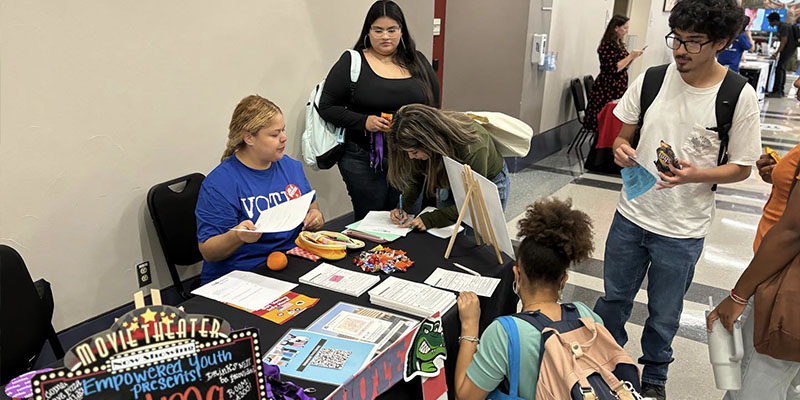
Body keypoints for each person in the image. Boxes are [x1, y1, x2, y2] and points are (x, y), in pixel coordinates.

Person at [591, 1, 762, 398]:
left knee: (664, 313)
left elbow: (741, 166)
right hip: (631, 214)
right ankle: (605, 360)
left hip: (682, 228)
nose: (681, 50)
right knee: (614, 298)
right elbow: (624, 133)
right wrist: (619, 147)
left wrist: (695, 175)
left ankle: (654, 378)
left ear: (721, 41)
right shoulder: (652, 79)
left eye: (694, 42)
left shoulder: (737, 95)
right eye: (677, 39)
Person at [452, 198, 599, 400]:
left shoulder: (505, 332)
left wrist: (469, 325)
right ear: (563, 280)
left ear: (517, 274)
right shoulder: (586, 315)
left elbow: (465, 396)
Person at [318, 0, 440, 221]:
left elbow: (434, 109)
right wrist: (364, 121)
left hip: (412, 158)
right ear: (368, 31)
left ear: (401, 31)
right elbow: (327, 106)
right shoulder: (352, 62)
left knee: (407, 219)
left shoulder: (418, 62)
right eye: (378, 30)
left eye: (392, 30)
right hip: (363, 158)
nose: (386, 36)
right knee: (371, 223)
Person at [195, 95, 324, 284]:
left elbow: (313, 208)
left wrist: (315, 217)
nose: (284, 138)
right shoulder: (220, 183)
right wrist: (237, 236)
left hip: (290, 261)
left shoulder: (290, 167)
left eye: (283, 130)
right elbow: (209, 252)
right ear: (249, 137)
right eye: (274, 134)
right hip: (243, 273)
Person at [706, 143, 800, 400]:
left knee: (755, 384)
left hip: (784, 286)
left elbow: (792, 232)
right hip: (781, 278)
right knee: (783, 382)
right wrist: (782, 175)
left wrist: (738, 295)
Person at [385, 104, 509, 231]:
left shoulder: (473, 147)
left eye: (414, 152)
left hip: (484, 184)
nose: (410, 157)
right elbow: (416, 178)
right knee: (445, 236)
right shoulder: (423, 145)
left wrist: (431, 219)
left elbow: (472, 202)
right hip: (447, 177)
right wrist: (403, 206)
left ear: (430, 142)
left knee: (476, 239)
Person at [584, 14, 645, 133]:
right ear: (616, 28)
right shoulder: (607, 46)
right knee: (605, 119)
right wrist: (630, 56)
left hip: (618, 85)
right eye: (624, 28)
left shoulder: (619, 44)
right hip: (607, 87)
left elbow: (623, 66)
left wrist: (632, 58)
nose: (627, 31)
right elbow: (613, 68)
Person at [766, 12, 797, 97]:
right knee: (781, 68)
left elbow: (784, 41)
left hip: (788, 50)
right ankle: (780, 91)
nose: (769, 23)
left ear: (774, 20)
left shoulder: (783, 27)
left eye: (770, 21)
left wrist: (776, 53)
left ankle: (778, 91)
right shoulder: (783, 26)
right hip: (789, 49)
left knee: (779, 69)